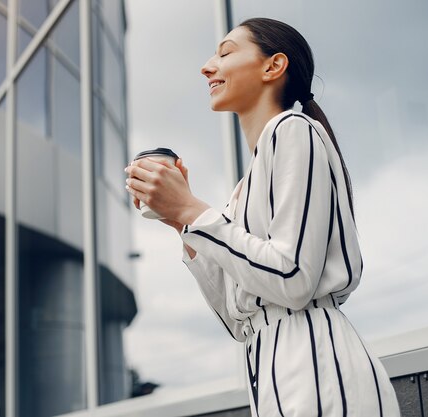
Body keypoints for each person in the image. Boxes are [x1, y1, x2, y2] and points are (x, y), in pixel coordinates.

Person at [125, 17, 400, 417]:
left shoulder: (293, 129)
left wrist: (192, 210)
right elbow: (239, 322)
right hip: (274, 375)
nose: (206, 66)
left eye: (225, 52)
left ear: (274, 66)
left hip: (317, 373)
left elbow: (293, 278)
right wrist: (180, 223)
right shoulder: (242, 190)